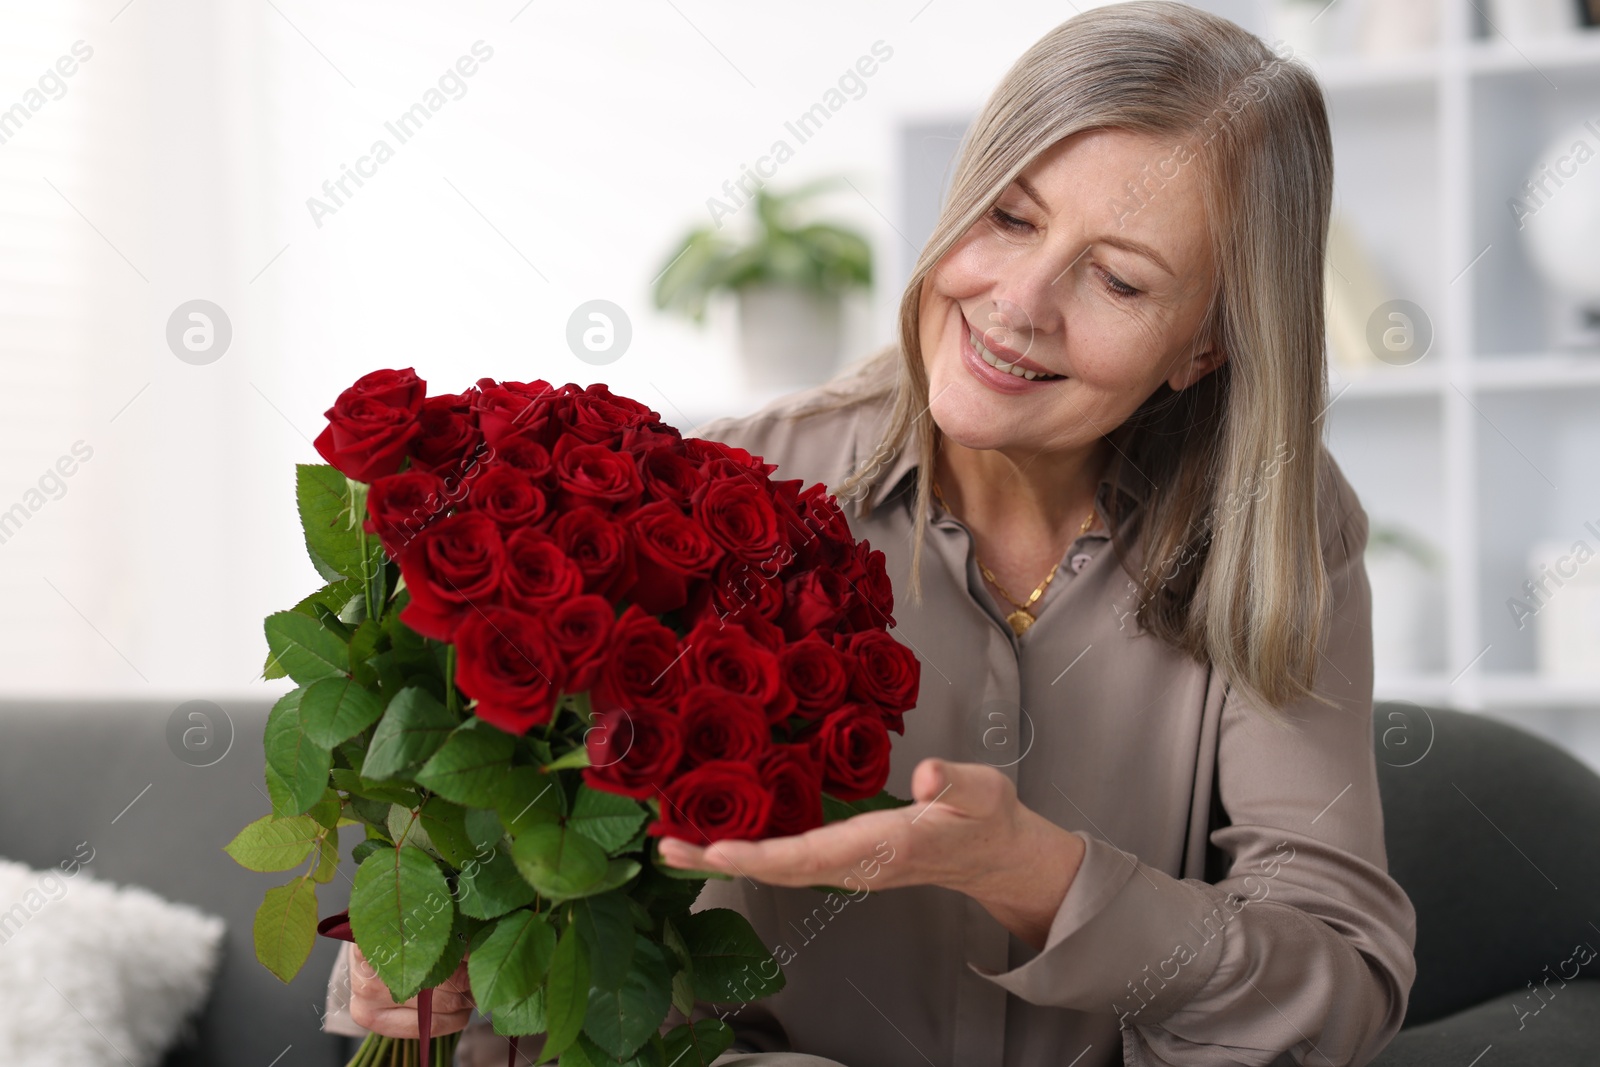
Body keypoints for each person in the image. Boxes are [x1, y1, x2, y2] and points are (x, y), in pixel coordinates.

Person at [325, 3, 1417, 1063]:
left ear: (1207, 345)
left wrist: (1032, 871)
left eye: (1119, 278)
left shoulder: (1278, 526)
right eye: (1009, 216)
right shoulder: (715, 496)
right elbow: (566, 962)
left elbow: (1334, 990)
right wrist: (424, 951)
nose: (1018, 302)